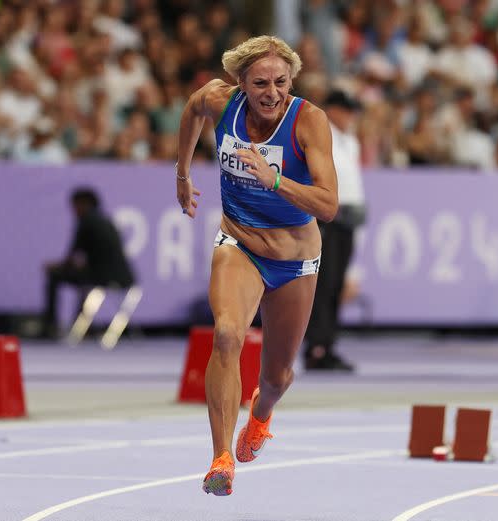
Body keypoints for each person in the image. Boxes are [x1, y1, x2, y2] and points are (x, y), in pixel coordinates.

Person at [175, 35, 338, 496]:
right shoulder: (217, 100)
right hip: (240, 243)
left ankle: (261, 415)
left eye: (281, 82)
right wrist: (182, 175)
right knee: (227, 334)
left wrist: (276, 179)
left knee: (277, 377)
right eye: (261, 83)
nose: (272, 93)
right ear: (240, 82)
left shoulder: (309, 121)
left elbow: (328, 205)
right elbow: (190, 112)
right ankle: (221, 458)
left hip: (294, 260)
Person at [303, 89, 366, 372]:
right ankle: (315, 346)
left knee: (337, 285)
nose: (351, 117)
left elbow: (354, 182)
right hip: (326, 217)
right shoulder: (318, 135)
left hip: (348, 218)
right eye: (346, 110)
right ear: (332, 110)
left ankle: (327, 344)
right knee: (323, 284)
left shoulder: (350, 142)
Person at [42, 187, 135, 338]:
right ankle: (83, 327)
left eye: (75, 206)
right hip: (124, 276)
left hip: (102, 277)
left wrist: (55, 266)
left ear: (84, 204)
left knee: (55, 276)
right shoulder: (105, 220)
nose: (74, 211)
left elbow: (72, 258)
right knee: (84, 281)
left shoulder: (86, 222)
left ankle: (50, 327)